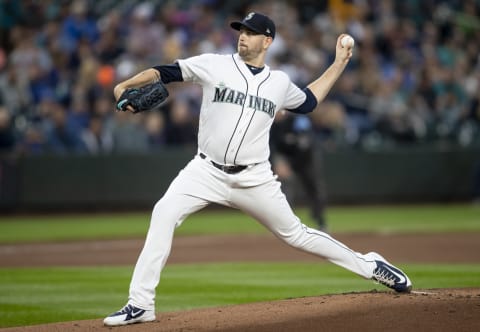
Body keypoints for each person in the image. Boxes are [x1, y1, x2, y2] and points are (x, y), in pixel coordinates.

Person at [104, 12, 412, 327]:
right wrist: (125, 84)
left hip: (254, 178)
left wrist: (338, 64)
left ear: (267, 41)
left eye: (251, 32)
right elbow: (164, 71)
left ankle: (371, 266)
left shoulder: (278, 83)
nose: (243, 36)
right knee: (164, 213)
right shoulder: (215, 64)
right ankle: (140, 304)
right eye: (241, 30)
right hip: (205, 171)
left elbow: (308, 102)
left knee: (297, 235)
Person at [270, 111, 327, 231]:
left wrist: (290, 164)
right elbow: (270, 146)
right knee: (284, 187)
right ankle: (286, 223)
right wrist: (278, 162)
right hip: (286, 157)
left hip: (307, 158)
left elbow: (305, 145)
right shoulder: (271, 123)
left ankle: (320, 221)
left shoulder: (299, 120)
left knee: (314, 187)